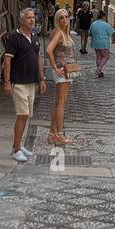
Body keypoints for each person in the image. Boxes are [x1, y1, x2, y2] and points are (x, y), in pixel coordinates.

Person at [2, 8, 47, 163]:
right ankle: (16, 149)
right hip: (19, 82)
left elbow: (38, 59)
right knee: (21, 115)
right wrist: (7, 82)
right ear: (22, 20)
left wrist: (41, 79)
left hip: (31, 82)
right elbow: (7, 60)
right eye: (28, 18)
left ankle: (19, 145)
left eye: (33, 17)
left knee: (27, 115)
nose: (32, 20)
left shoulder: (34, 37)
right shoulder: (14, 37)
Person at [45, 9, 78, 146]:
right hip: (63, 70)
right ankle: (59, 134)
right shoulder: (58, 32)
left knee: (58, 103)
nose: (64, 20)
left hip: (69, 69)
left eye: (66, 17)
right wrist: (54, 67)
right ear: (57, 20)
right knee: (61, 104)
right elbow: (48, 50)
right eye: (61, 18)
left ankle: (53, 133)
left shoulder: (65, 33)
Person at [89, 9, 114, 77]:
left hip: (95, 42)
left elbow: (90, 33)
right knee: (106, 56)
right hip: (103, 43)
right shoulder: (105, 24)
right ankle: (99, 69)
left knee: (98, 56)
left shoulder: (93, 24)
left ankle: (99, 72)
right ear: (103, 17)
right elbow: (111, 32)